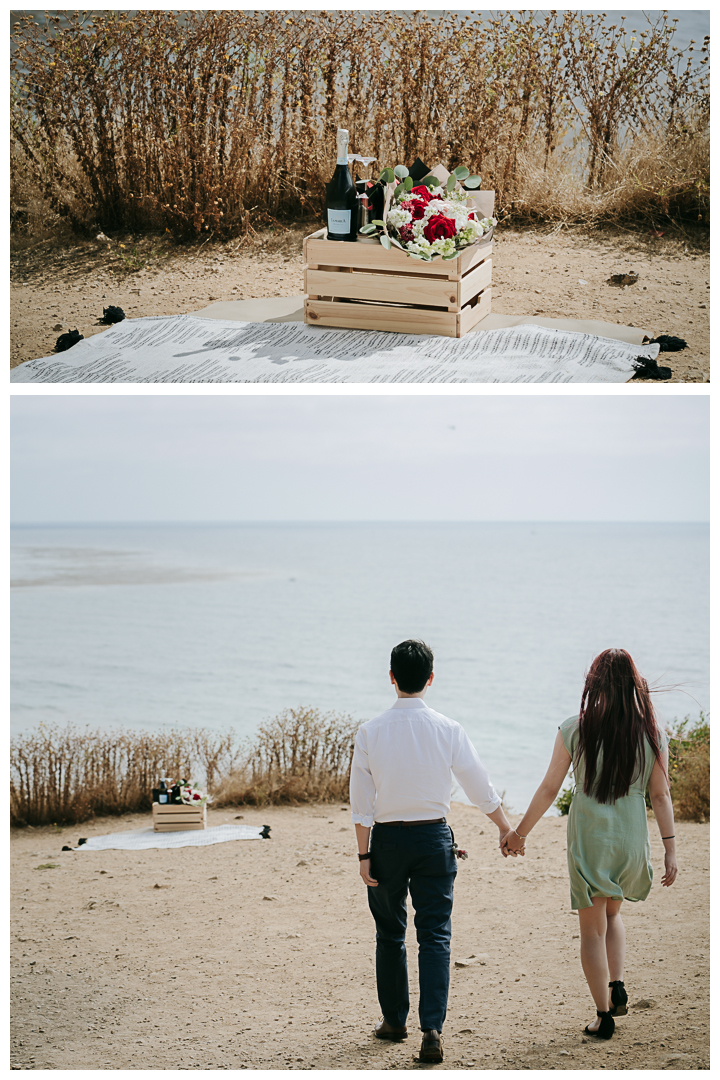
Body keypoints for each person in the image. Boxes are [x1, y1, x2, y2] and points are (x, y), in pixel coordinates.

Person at [502, 648, 678, 1040]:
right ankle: (616, 985)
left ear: (594, 683)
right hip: (630, 840)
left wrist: (519, 834)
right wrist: (670, 848)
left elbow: (550, 788)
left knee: (591, 931)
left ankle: (603, 1015)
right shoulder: (652, 735)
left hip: (590, 838)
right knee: (613, 916)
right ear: (635, 684)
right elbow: (661, 797)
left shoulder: (574, 729)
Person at [350, 639, 512, 1063]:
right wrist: (506, 829)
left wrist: (364, 856)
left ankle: (394, 1022)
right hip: (434, 839)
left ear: (391, 677)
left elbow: (362, 803)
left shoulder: (370, 731)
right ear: (431, 679)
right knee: (435, 935)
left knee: (390, 933)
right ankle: (432, 1030)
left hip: (386, 841)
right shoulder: (449, 729)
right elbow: (480, 788)